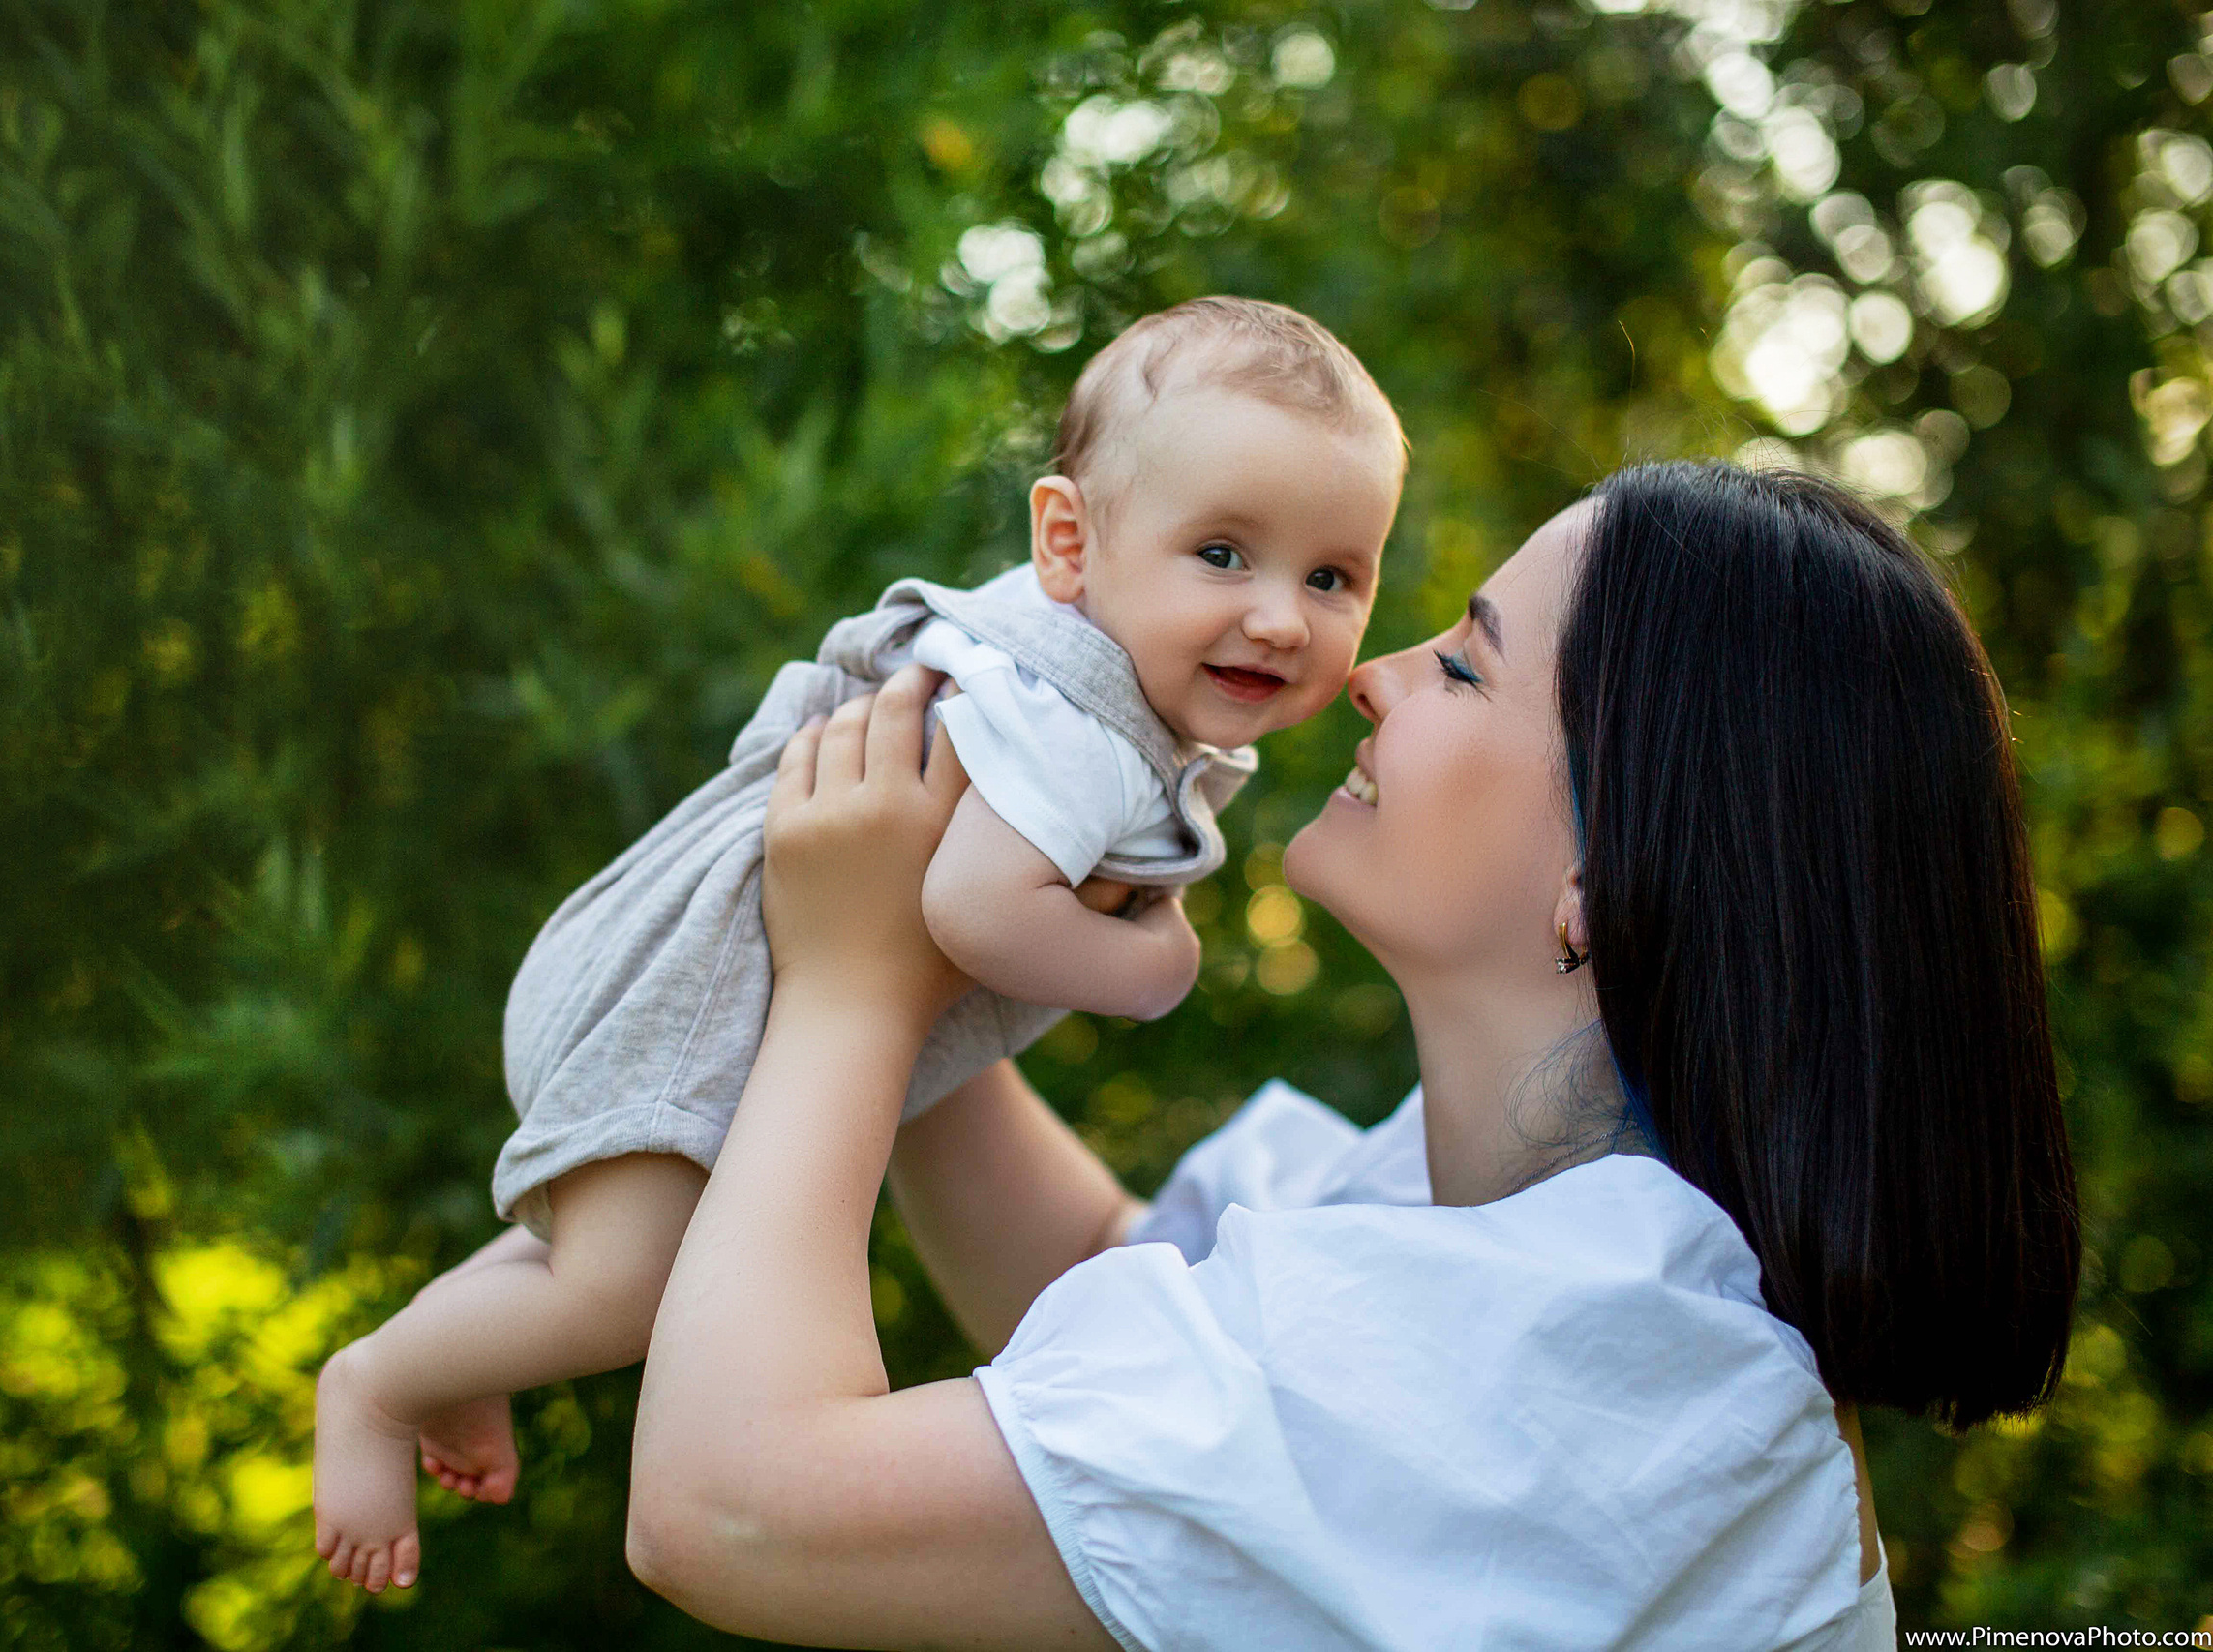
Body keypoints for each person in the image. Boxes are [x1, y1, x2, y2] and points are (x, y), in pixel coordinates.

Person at [625, 462, 2081, 1649]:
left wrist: (851, 992)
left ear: (1610, 867)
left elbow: (734, 1506)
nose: (1373, 675)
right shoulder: (1514, 1240)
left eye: (1461, 664)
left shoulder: (1583, 1356)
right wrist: (936, 930)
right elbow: (1101, 1291)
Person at [311, 298, 1408, 1590]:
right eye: (1224, 553)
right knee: (628, 1290)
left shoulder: (1078, 648)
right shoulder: (1077, 727)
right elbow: (976, 911)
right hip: (689, 995)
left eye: (1332, 578)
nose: (1282, 617)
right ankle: (379, 1383)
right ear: (1069, 539)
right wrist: (1157, 968)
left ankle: (466, 1357)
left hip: (696, 980)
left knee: (643, 1235)